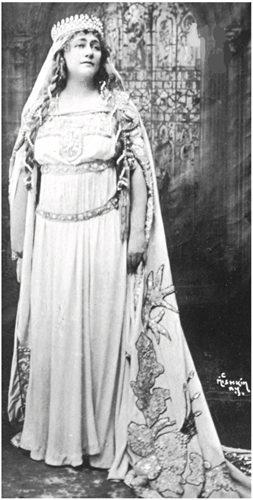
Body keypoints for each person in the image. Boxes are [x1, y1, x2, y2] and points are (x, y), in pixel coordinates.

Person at [8, 14, 250, 498]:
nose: (89, 51)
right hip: (53, 241)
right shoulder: (40, 111)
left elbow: (138, 171)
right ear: (60, 54)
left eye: (96, 44)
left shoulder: (118, 105)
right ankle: (59, 438)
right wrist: (19, 239)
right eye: (79, 43)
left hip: (104, 237)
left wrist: (137, 234)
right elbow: (22, 175)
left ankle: (101, 443)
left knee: (100, 331)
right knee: (58, 329)